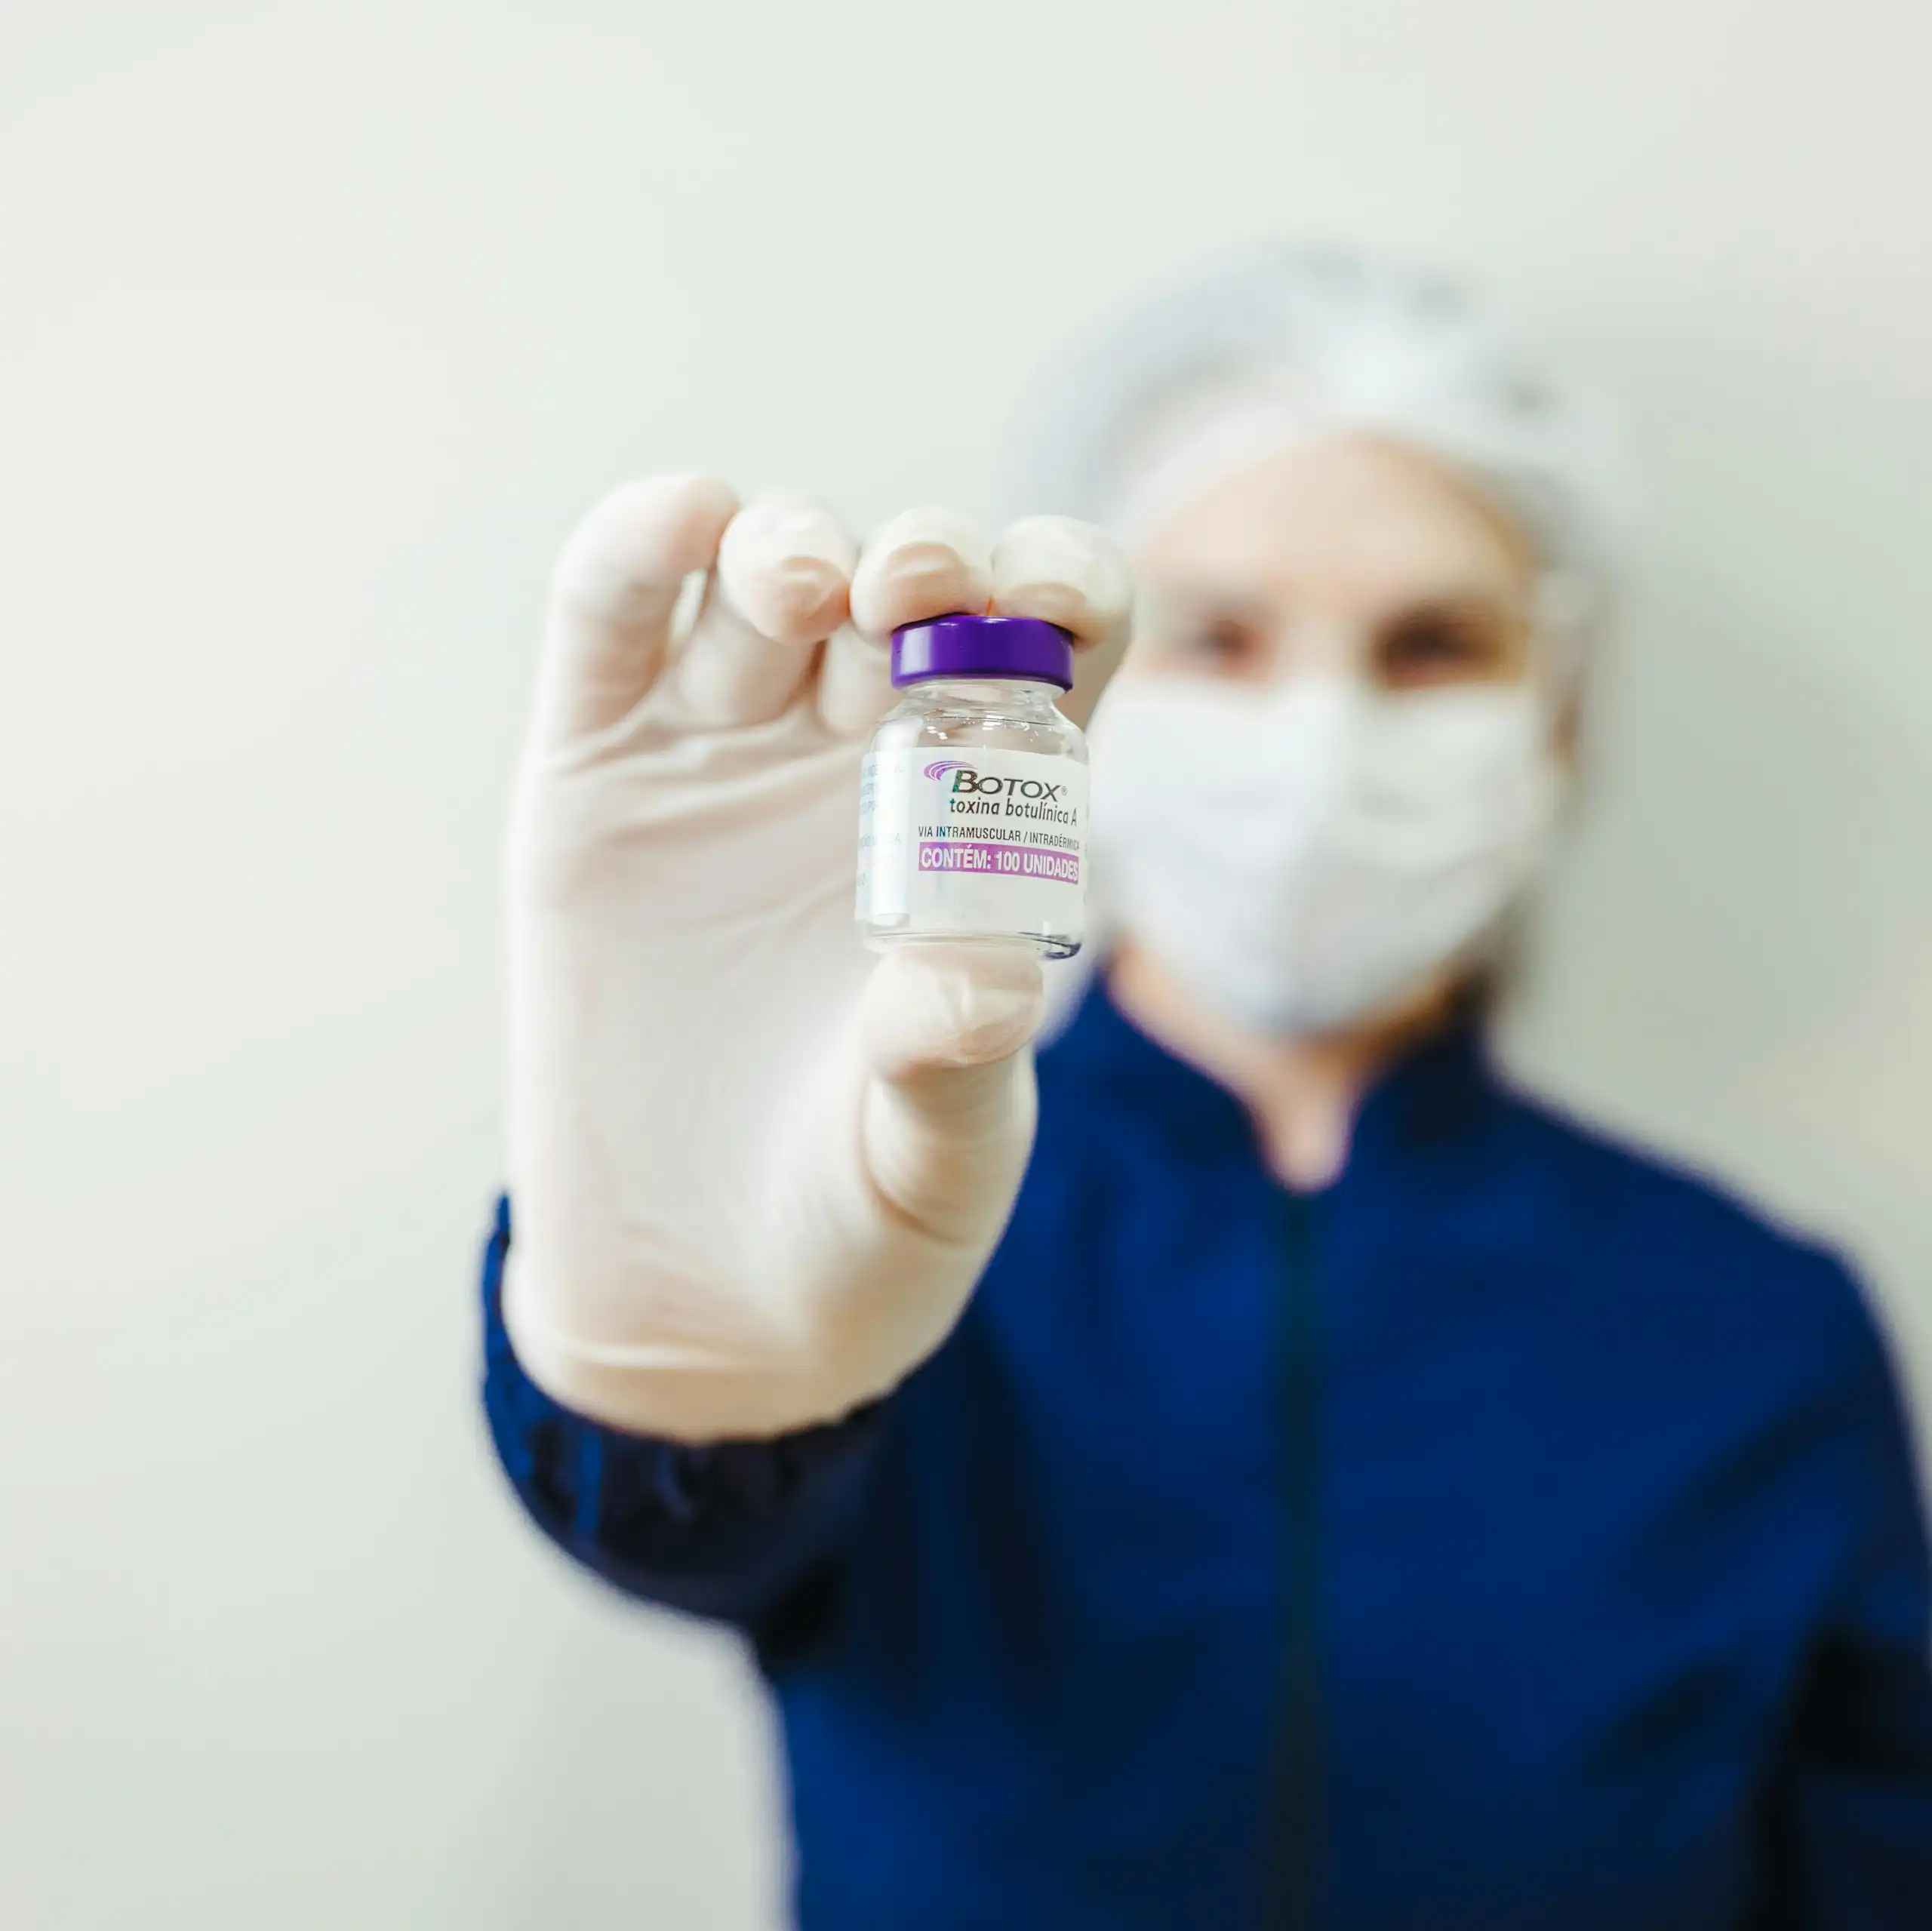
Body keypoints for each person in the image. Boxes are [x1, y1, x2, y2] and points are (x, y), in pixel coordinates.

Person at [481, 251, 1932, 1929]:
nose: (1317, 733)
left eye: (1429, 644)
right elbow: (670, 1527)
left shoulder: (1752, 1328)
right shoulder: (877, 1208)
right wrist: (667, 1370)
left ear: (1555, 704)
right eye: (1218, 634)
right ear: (1066, 702)